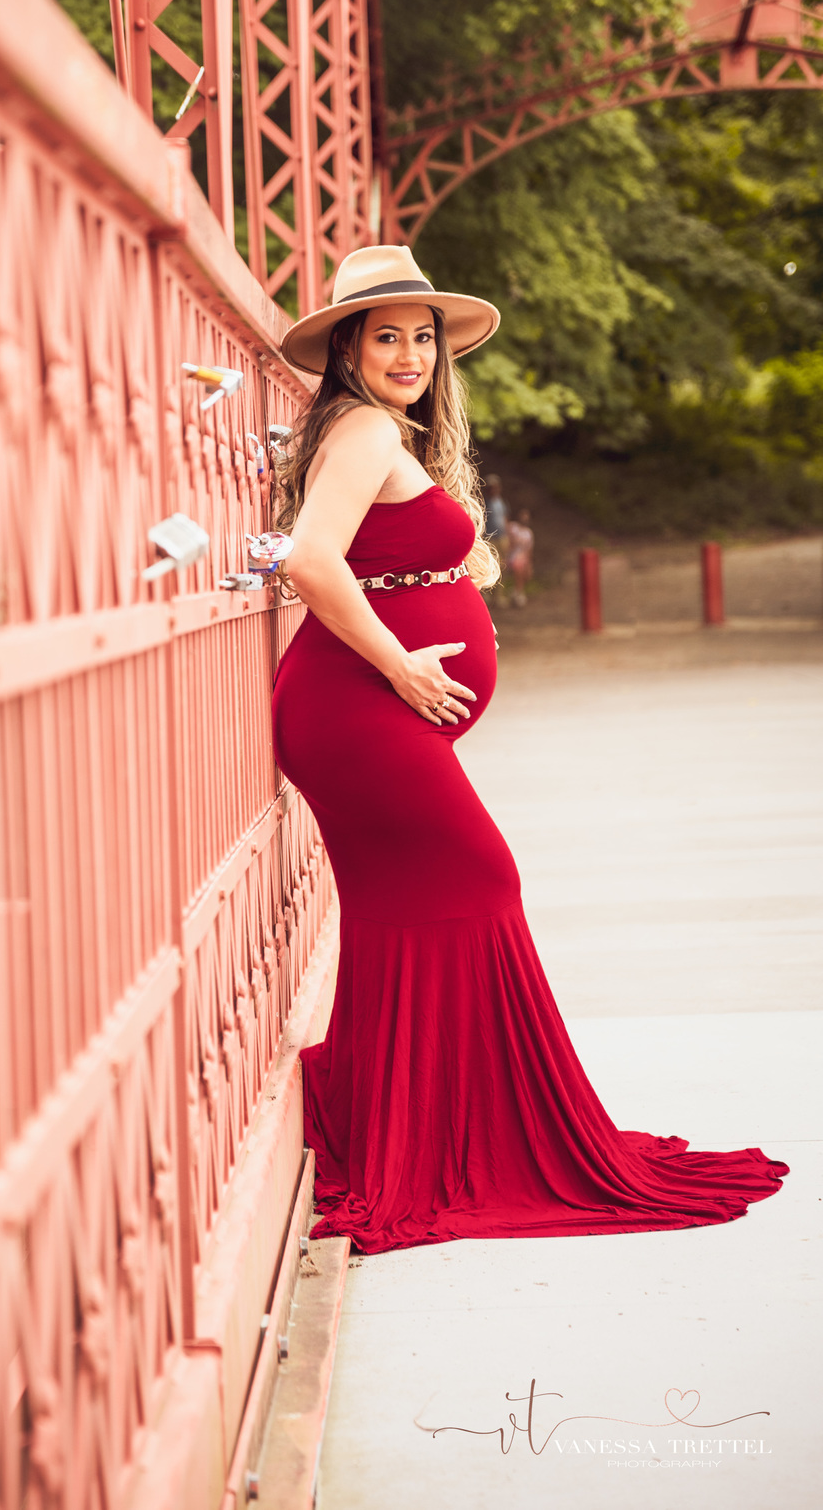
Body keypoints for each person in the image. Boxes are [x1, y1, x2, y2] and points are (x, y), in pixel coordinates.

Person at [269, 243, 786, 1254]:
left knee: (396, 907)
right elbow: (310, 560)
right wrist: (404, 664)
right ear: (348, 350)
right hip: (355, 709)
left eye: (423, 338)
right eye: (387, 338)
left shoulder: (379, 431)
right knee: (482, 877)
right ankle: (455, 1140)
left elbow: (377, 556)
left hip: (355, 709)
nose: (410, 355)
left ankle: (401, 1128)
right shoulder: (364, 427)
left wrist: (448, 581)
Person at [506, 504, 534, 607]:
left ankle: (517, 591)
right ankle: (518, 592)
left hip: (522, 557)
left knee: (524, 571)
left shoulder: (528, 533)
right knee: (519, 568)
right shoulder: (513, 527)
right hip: (512, 555)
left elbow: (529, 550)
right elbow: (508, 541)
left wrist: (529, 564)